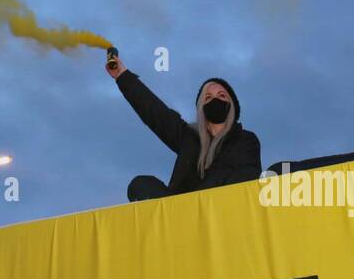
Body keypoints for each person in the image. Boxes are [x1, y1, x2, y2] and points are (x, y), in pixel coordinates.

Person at [105, 53, 261, 201]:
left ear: (232, 106)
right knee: (140, 185)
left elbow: (243, 177)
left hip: (224, 206)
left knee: (274, 172)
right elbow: (155, 113)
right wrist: (123, 76)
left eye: (221, 96)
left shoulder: (245, 140)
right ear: (201, 107)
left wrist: (199, 199)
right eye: (208, 97)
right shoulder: (189, 137)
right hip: (182, 212)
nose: (215, 100)